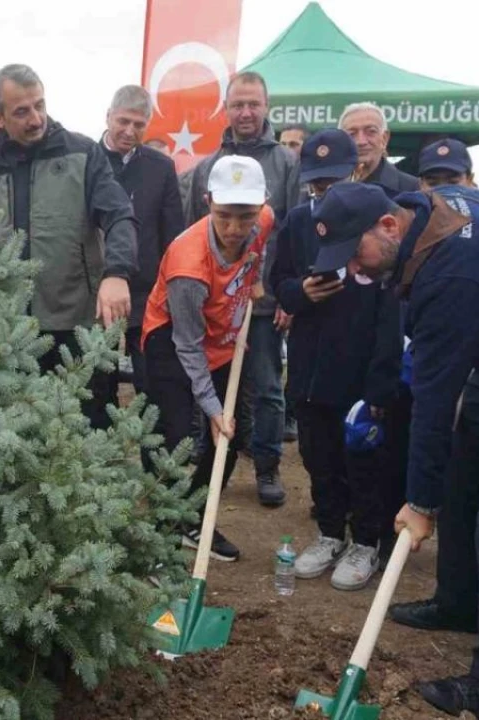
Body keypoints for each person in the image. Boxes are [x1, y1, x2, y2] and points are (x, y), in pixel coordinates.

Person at [309, 180, 479, 717]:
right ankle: (460, 602)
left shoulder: (453, 273)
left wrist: (418, 503)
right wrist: (433, 495)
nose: (354, 269)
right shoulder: (426, 207)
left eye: (355, 254)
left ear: (387, 225)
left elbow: (434, 403)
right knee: (461, 483)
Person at [0, 64, 138, 431]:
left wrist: (116, 273)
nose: (36, 119)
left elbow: (119, 215)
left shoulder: (82, 153)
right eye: (21, 111)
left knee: (87, 425)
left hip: (76, 325)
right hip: (8, 332)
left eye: (40, 105)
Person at [269, 129, 401, 591]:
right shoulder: (297, 223)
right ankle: (329, 533)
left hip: (358, 370)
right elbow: (278, 283)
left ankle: (366, 541)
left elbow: (391, 317)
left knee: (361, 463)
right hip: (310, 367)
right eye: (315, 184)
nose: (322, 191)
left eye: (332, 182)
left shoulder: (377, 227)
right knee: (317, 457)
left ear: (355, 171)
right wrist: (300, 293)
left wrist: (381, 385)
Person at [141, 155, 272, 563]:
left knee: (228, 436)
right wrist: (211, 407)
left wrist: (253, 282)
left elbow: (257, 250)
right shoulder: (188, 265)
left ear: (261, 206)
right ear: (207, 201)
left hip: (221, 332)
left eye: (245, 217)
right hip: (171, 340)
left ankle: (197, 516)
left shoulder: (263, 221)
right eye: (223, 216)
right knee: (176, 438)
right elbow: (187, 344)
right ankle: (161, 528)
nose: (235, 229)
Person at [185, 70, 300, 506]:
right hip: (217, 304)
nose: (246, 112)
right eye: (238, 104)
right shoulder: (207, 166)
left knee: (267, 387)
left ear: (266, 106)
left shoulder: (286, 163)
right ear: (227, 109)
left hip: (265, 301)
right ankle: (208, 453)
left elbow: (293, 232)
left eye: (253, 104)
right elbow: (193, 231)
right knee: (213, 383)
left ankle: (267, 465)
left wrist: (287, 293)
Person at [100, 85, 182, 398]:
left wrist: (169, 290)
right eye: (123, 121)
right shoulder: (85, 161)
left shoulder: (161, 168)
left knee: (151, 385)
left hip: (148, 296)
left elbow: (172, 234)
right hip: (98, 292)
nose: (129, 131)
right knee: (98, 386)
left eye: (138, 124)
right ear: (108, 116)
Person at [338, 103, 419, 193]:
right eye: (352, 134)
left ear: (384, 138)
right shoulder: (330, 185)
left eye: (371, 131)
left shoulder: (412, 188)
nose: (361, 141)